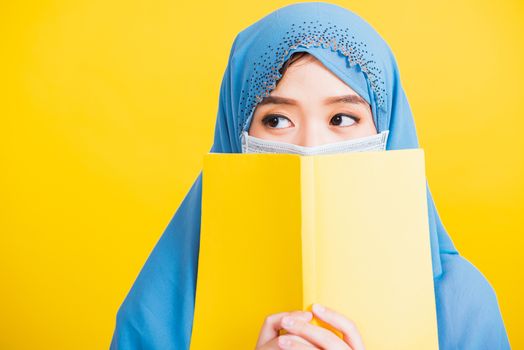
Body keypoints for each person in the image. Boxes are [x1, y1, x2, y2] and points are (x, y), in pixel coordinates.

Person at [110, 2, 510, 349]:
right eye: (277, 119)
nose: (310, 147)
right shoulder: (158, 312)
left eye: (342, 118)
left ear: (387, 133)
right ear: (237, 133)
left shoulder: (463, 308)